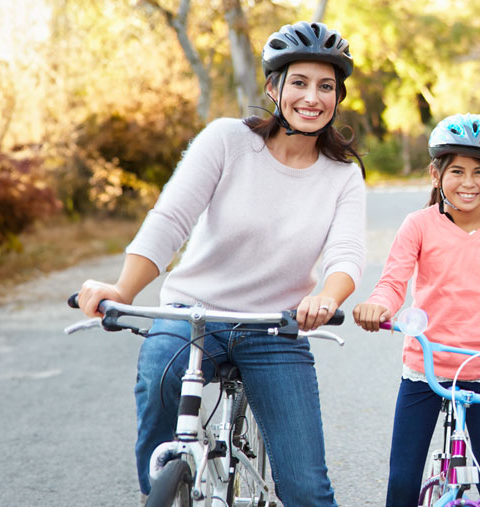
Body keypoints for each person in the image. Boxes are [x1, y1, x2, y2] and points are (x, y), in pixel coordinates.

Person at [75, 21, 365, 506]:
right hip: (194, 314)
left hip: (276, 328)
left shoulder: (342, 176)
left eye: (326, 86)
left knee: (306, 490)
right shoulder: (227, 140)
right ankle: (164, 488)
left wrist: (325, 299)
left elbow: (347, 255)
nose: (312, 97)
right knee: (160, 378)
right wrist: (123, 290)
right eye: (299, 82)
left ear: (337, 97)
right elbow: (171, 219)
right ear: (274, 87)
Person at [350, 113, 480, 507]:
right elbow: (394, 282)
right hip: (425, 371)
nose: (469, 183)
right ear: (436, 174)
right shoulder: (418, 224)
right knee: (402, 481)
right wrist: (377, 306)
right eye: (458, 171)